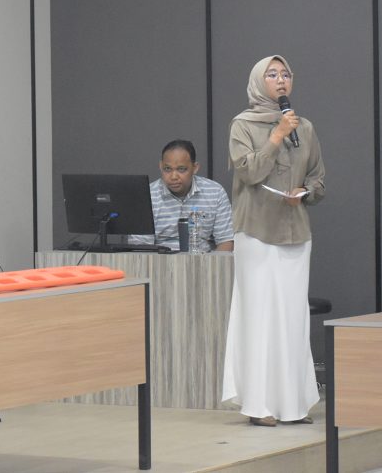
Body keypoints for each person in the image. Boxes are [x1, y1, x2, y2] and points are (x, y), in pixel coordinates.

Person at [221, 55, 326, 427]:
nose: (281, 80)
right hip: (256, 232)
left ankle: (292, 405)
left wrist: (305, 191)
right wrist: (277, 136)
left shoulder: (305, 127)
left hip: (296, 232)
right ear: (257, 81)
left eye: (286, 74)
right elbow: (249, 171)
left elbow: (318, 178)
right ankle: (258, 405)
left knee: (292, 318)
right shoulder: (242, 125)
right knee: (259, 316)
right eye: (272, 74)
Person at [130, 139, 234, 252]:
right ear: (160, 166)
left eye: (181, 169)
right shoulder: (147, 196)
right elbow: (140, 247)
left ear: (195, 168)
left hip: (202, 259)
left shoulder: (215, 192)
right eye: (167, 169)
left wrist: (210, 264)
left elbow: (226, 241)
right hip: (158, 260)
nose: (174, 176)